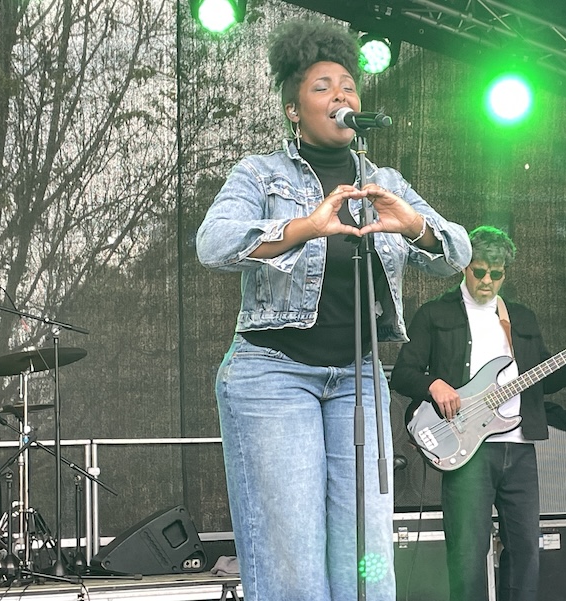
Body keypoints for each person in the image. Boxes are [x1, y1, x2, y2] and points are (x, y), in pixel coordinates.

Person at [195, 18, 472, 601]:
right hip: (273, 374)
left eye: (348, 85)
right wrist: (304, 227)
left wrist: (415, 226)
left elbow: (457, 254)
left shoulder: (384, 181)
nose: (341, 94)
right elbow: (213, 243)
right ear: (293, 109)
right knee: (294, 559)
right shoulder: (261, 173)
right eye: (322, 87)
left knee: (366, 560)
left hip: (358, 378)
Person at [390, 225, 566, 601]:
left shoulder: (521, 318)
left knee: (526, 550)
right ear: (464, 267)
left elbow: (544, 379)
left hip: (519, 446)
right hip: (468, 448)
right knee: (467, 554)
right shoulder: (435, 314)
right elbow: (403, 373)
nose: (487, 281)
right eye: (479, 271)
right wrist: (434, 385)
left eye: (496, 274)